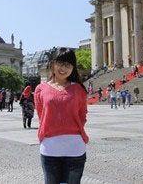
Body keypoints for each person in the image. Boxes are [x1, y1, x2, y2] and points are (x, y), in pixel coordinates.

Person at [35, 47, 88, 184]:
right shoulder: (40, 89)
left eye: (68, 65)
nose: (64, 68)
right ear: (52, 64)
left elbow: (82, 114)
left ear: (73, 68)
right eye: (60, 63)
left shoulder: (78, 89)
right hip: (50, 149)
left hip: (75, 148)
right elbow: (42, 115)